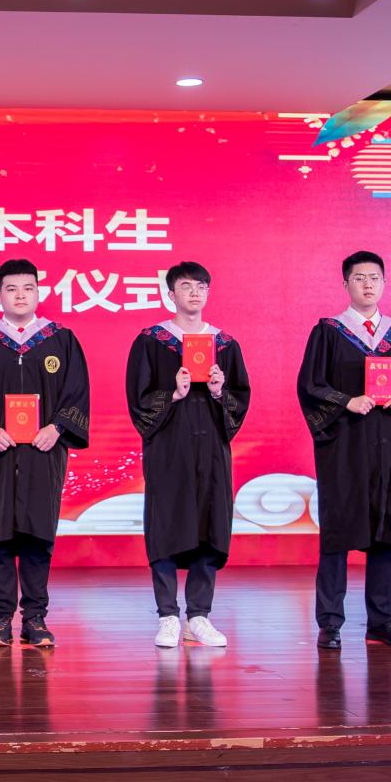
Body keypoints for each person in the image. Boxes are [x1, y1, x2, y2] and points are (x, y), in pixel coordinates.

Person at [0, 258, 90, 649]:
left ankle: (35, 618)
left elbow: (77, 392)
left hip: (44, 450)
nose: (20, 295)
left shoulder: (60, 339)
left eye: (27, 288)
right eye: (11, 289)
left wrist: (56, 428)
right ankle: (0, 619)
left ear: (39, 292)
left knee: (38, 534)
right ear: (0, 294)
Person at [296, 250, 391, 651]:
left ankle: (382, 621)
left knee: (384, 532)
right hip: (344, 445)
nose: (368, 284)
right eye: (359, 278)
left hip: (388, 442)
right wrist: (347, 401)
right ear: (346, 284)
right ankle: (330, 622)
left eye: (374, 277)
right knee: (338, 531)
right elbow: (310, 386)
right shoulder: (328, 332)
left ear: (385, 283)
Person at [125, 260, 249, 650]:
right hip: (169, 449)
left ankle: (199, 616)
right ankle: (167, 615)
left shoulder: (225, 344)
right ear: (170, 294)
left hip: (211, 448)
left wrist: (218, 391)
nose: (194, 293)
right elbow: (137, 399)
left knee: (209, 527)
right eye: (185, 286)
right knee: (166, 524)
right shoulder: (152, 341)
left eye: (201, 287)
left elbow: (240, 400)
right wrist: (173, 394)